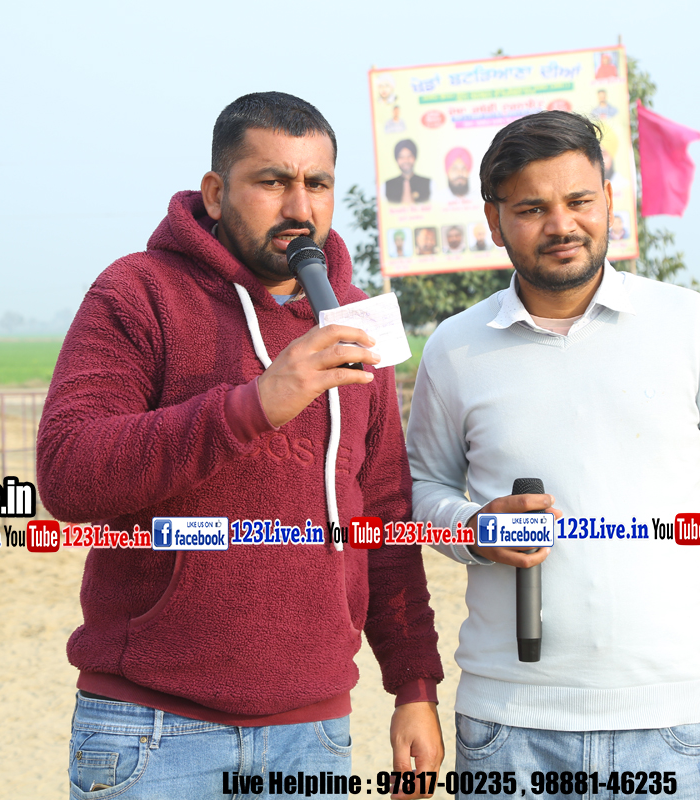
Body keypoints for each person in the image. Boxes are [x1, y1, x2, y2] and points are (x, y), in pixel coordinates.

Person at [35, 92, 444, 799]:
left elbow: (381, 512)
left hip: (314, 733)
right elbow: (69, 473)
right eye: (272, 181)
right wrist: (253, 405)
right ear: (217, 193)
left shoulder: (358, 319)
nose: (299, 207)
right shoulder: (138, 290)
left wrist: (414, 685)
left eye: (317, 184)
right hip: (149, 727)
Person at [407, 111, 700, 798]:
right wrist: (474, 529)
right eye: (532, 208)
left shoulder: (689, 325)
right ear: (494, 220)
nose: (561, 225)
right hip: (506, 727)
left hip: (667, 720)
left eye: (579, 201)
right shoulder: (456, 346)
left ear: (609, 201)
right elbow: (420, 488)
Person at [384, 138, 430, 204]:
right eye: (401, 157)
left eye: (409, 156)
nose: (406, 160)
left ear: (414, 158)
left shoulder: (428, 183)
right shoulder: (386, 186)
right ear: (397, 159)